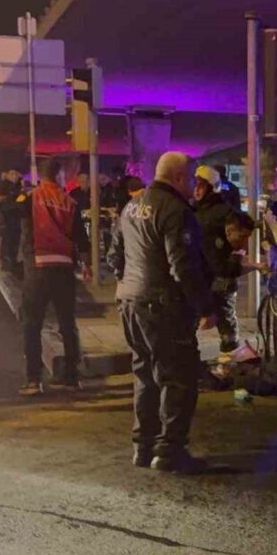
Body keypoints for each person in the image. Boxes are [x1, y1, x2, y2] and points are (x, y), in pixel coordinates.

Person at [108, 152, 217, 472]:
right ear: (180, 178)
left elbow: (116, 257)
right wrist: (205, 307)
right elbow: (183, 267)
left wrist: (128, 289)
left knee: (145, 376)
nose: (192, 186)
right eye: (191, 178)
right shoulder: (176, 211)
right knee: (178, 378)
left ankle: (143, 447)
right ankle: (170, 450)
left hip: (130, 303)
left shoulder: (130, 207)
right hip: (162, 307)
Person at [18, 158, 91, 396]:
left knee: (32, 324)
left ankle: (33, 379)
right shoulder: (70, 202)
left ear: (40, 175)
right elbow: (81, 237)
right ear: (59, 176)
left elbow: (11, 216)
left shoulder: (30, 198)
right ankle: (71, 377)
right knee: (67, 323)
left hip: (38, 268)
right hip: (64, 268)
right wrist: (87, 264)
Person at [194, 165, 264, 359]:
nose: (196, 190)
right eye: (195, 185)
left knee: (226, 328)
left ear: (211, 187)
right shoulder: (192, 210)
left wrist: (238, 256)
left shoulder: (225, 212)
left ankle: (229, 366)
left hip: (221, 279)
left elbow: (243, 232)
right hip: (199, 277)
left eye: (201, 185)